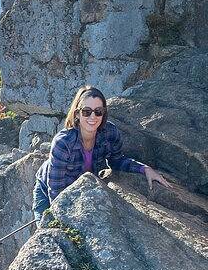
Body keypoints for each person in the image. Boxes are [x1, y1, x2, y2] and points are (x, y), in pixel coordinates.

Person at [32, 85, 170, 220]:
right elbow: (56, 190)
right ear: (77, 114)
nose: (93, 117)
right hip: (47, 192)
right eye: (86, 111)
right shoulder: (63, 143)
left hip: (82, 190)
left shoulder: (109, 133)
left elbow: (116, 161)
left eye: (98, 111)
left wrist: (144, 169)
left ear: (103, 114)